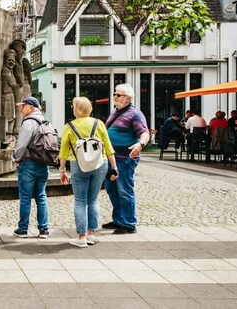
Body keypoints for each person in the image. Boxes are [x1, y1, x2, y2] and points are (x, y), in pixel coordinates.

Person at [60, 97, 118, 247]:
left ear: (75, 109)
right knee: (93, 199)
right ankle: (91, 234)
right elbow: (108, 147)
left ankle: (81, 237)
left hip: (78, 164)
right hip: (100, 163)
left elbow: (63, 152)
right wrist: (114, 167)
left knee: (80, 201)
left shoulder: (69, 126)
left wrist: (62, 170)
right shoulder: (99, 124)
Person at [102, 84, 149, 234]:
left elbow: (145, 133)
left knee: (124, 190)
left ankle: (129, 223)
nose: (115, 97)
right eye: (114, 94)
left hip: (125, 158)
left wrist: (140, 145)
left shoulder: (135, 114)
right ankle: (118, 219)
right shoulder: (115, 111)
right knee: (112, 189)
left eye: (119, 95)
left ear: (128, 98)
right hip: (111, 158)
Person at [10, 96, 50, 239]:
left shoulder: (29, 123)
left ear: (31, 107)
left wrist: (16, 158)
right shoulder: (45, 121)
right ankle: (44, 229)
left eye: (23, 106)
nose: (21, 108)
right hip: (43, 163)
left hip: (28, 163)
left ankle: (23, 229)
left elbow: (21, 144)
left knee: (25, 197)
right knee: (41, 196)